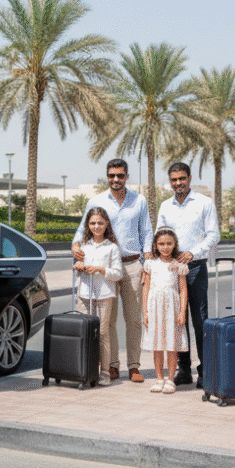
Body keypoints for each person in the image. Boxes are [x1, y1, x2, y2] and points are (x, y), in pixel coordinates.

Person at [72, 158, 152, 383]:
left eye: (120, 175)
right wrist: (75, 245)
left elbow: (146, 232)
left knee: (133, 319)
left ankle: (134, 365)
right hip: (106, 268)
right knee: (108, 321)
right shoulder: (96, 200)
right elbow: (83, 228)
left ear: (127, 176)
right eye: (111, 175)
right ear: (107, 176)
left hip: (133, 265)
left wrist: (147, 264)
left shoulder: (139, 201)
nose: (115, 179)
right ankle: (112, 365)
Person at [154, 162, 219, 387]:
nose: (178, 183)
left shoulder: (204, 203)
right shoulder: (165, 206)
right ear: (170, 181)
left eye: (182, 178)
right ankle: (183, 370)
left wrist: (194, 252)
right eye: (174, 179)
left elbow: (213, 235)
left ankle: (204, 371)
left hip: (196, 267)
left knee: (200, 320)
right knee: (177, 321)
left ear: (189, 178)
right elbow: (159, 234)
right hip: (172, 269)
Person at [72, 207, 123, 386]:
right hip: (84, 294)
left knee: (102, 333)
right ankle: (83, 369)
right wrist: (79, 267)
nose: (96, 226)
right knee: (83, 332)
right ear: (88, 225)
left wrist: (101, 270)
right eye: (93, 223)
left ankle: (105, 372)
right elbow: (78, 268)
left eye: (100, 223)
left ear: (106, 224)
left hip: (104, 295)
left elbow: (118, 274)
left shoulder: (112, 248)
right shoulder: (83, 246)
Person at [142, 227, 189, 394]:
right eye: (161, 244)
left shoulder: (179, 265)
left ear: (174, 244)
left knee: (171, 344)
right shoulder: (150, 264)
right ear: (155, 245)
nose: (165, 247)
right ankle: (159, 378)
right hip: (154, 308)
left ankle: (170, 380)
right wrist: (145, 311)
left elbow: (183, 289)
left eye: (169, 243)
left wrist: (182, 312)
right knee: (157, 344)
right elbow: (146, 288)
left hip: (172, 308)